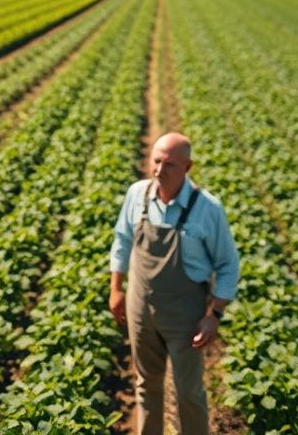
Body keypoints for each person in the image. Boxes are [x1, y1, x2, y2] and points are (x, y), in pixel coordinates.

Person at [109, 131, 240, 435]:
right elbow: (122, 240)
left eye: (168, 164)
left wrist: (214, 315)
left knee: (188, 391)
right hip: (141, 308)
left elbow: (227, 265)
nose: (158, 170)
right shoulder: (137, 195)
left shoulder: (207, 208)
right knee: (146, 384)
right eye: (156, 161)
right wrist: (116, 288)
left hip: (186, 315)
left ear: (187, 167)